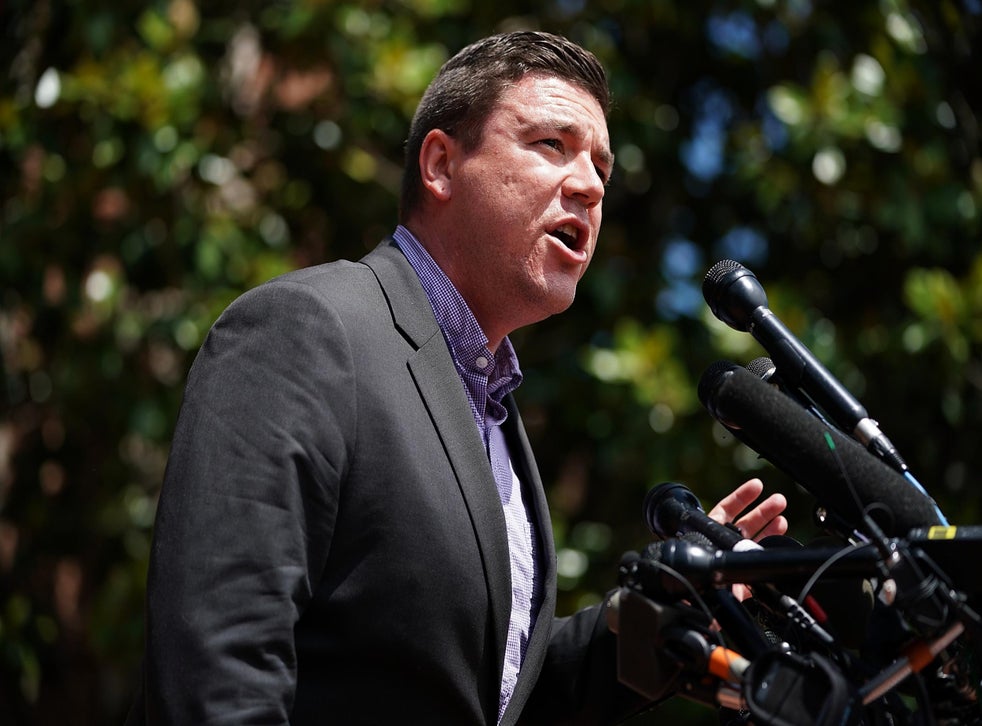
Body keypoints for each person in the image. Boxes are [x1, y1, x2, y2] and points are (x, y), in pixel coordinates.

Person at [125, 30, 787, 725]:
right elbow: (219, 667)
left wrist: (669, 606)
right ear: (440, 165)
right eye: (552, 145)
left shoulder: (494, 413)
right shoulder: (305, 331)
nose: (590, 185)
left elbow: (495, 699)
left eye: (601, 168)